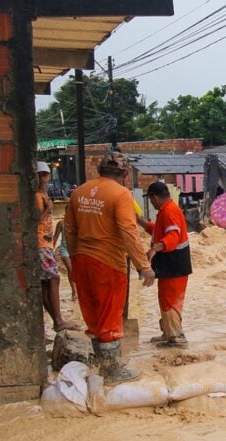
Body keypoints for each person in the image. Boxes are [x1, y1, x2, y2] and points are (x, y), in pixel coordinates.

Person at [65, 153, 155, 384]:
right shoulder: (121, 194)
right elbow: (128, 231)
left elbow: (69, 230)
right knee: (109, 314)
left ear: (99, 169)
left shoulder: (79, 192)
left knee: (93, 315)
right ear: (125, 174)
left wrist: (75, 260)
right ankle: (112, 370)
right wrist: (144, 266)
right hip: (107, 262)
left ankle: (101, 365)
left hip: (82, 259)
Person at [137, 182, 192, 349]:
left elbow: (172, 236)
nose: (151, 204)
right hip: (172, 265)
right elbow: (157, 231)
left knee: (170, 301)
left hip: (174, 264)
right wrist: (139, 220)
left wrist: (154, 249)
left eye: (151, 200)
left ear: (154, 197)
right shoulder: (166, 211)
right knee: (166, 298)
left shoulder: (170, 211)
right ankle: (169, 333)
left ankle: (176, 338)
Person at [36, 161, 79, 332]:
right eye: (43, 176)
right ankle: (58, 321)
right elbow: (34, 221)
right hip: (41, 243)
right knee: (53, 279)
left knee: (49, 282)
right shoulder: (38, 197)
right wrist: (48, 209)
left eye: (47, 176)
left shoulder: (43, 196)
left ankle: (57, 320)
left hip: (45, 244)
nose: (46, 180)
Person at [53, 219, 77, 301]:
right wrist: (50, 250)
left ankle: (79, 290)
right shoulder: (61, 223)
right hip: (64, 249)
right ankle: (74, 291)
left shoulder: (78, 222)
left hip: (75, 249)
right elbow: (55, 237)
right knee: (70, 269)